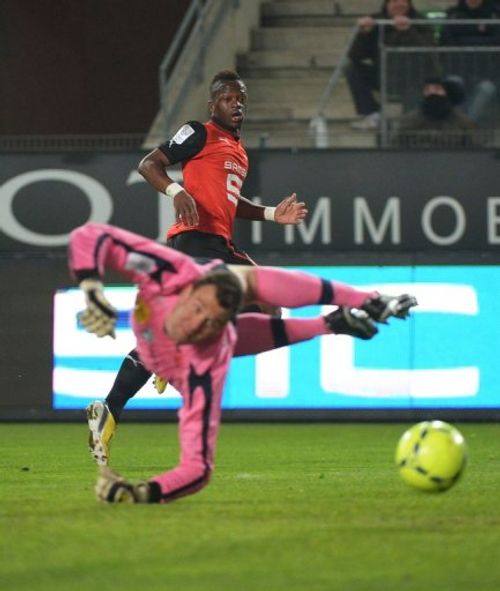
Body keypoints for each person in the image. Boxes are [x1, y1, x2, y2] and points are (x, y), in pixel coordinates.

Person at [69, 222, 417, 504]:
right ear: (189, 290)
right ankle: (336, 318)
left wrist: (141, 493)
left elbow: (197, 468)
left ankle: (329, 324)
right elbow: (90, 236)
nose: (200, 325)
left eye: (213, 322)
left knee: (236, 322)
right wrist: (91, 288)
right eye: (200, 310)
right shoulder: (170, 272)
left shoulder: (206, 367)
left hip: (179, 358)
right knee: (251, 282)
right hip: (163, 331)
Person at [87, 70, 308, 465]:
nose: (236, 104)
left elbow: (229, 203)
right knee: (270, 303)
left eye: (241, 98)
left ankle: (112, 406)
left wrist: (274, 214)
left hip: (217, 245)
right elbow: (149, 164)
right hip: (196, 243)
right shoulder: (199, 132)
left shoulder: (238, 152)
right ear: (213, 105)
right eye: (227, 98)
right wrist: (176, 190)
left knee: (264, 308)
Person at [346, 0, 434, 130]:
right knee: (352, 69)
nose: (399, 4)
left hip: (414, 77)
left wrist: (408, 31)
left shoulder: (420, 21)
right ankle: (372, 114)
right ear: (386, 4)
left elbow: (427, 51)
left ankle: (409, 126)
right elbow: (355, 55)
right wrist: (364, 34)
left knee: (410, 118)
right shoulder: (376, 20)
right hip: (383, 74)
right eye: (394, 1)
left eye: (403, 1)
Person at [440, 0, 500, 127]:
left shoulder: (494, 14)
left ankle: (466, 128)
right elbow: (446, 40)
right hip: (458, 69)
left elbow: (496, 41)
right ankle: (461, 128)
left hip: (487, 72)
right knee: (454, 84)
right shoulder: (453, 14)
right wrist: (480, 38)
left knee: (486, 89)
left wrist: (464, 40)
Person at [393, 77, 479, 147]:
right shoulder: (411, 119)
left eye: (437, 89)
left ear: (447, 93)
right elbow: (397, 144)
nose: (432, 92)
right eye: (427, 89)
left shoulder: (461, 120)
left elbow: (475, 144)